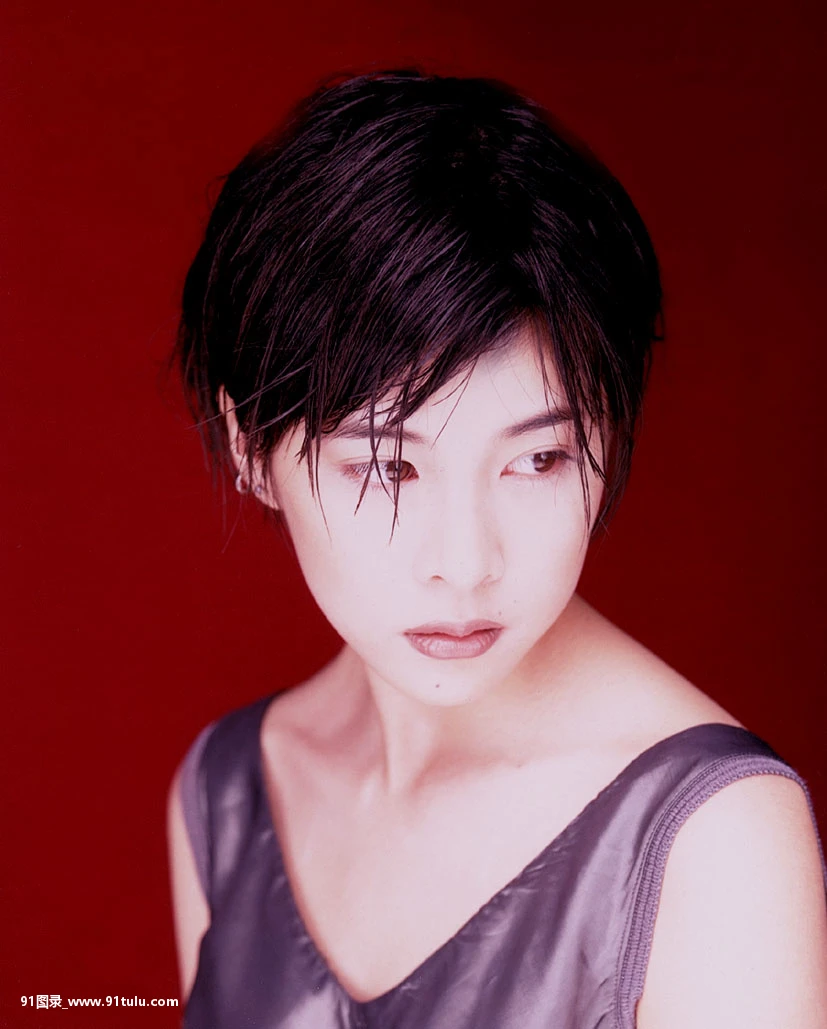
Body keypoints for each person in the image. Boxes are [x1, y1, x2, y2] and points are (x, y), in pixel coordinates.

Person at [166, 69, 827, 1028]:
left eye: (538, 458)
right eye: (388, 466)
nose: (466, 562)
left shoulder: (713, 840)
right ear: (247, 450)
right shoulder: (225, 794)